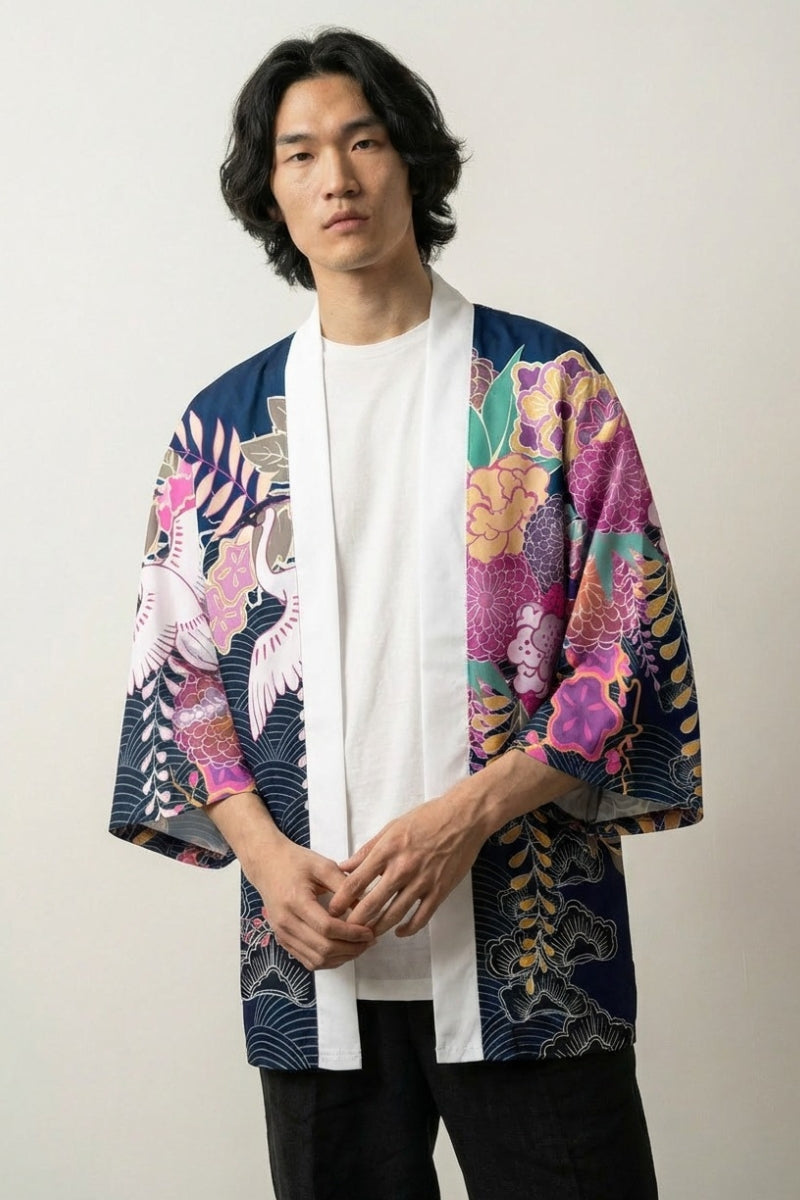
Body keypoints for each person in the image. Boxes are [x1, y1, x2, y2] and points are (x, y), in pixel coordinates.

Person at [110, 27, 702, 1200]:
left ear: (410, 162)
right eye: (298, 154)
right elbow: (179, 679)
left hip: (532, 945)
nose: (335, 176)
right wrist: (266, 862)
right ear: (269, 193)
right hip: (312, 959)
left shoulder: (547, 388)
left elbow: (623, 648)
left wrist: (465, 816)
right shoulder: (221, 429)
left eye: (363, 140)